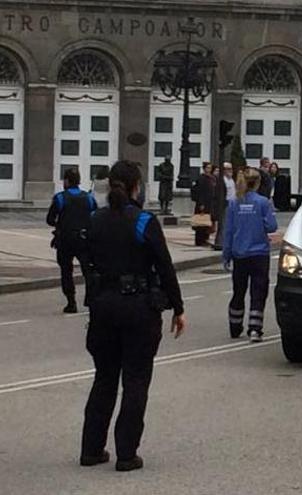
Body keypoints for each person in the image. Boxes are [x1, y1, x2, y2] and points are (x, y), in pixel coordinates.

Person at [79, 160, 186, 472]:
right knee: (136, 380)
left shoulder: (95, 219)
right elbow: (165, 267)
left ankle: (91, 449)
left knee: (104, 378)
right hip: (138, 308)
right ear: (136, 186)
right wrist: (178, 308)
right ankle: (127, 453)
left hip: (103, 307)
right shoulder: (143, 221)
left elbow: (87, 261)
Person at [223, 167, 278, 342]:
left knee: (238, 291)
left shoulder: (234, 203)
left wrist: (226, 254)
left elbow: (228, 231)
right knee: (258, 291)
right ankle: (255, 328)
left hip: (240, 253)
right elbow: (272, 227)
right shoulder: (263, 203)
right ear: (258, 184)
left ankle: (234, 325)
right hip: (259, 253)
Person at [47, 168, 97, 313]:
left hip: (65, 240)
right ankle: (90, 300)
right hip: (84, 239)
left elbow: (50, 219)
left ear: (67, 181)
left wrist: (60, 225)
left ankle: (71, 302)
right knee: (88, 271)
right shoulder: (88, 197)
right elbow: (95, 215)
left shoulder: (60, 198)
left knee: (66, 271)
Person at [213, 162, 236, 251]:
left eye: (231, 169)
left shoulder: (231, 180)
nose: (230, 171)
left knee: (230, 224)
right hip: (225, 204)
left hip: (232, 204)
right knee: (224, 224)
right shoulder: (222, 180)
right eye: (228, 169)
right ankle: (222, 241)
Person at [193, 162, 215, 247]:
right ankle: (199, 240)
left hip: (209, 203)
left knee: (207, 223)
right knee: (200, 223)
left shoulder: (211, 178)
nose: (209, 169)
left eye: (210, 168)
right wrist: (201, 203)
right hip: (202, 204)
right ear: (204, 168)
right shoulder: (202, 178)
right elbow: (200, 192)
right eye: (208, 168)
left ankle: (205, 239)